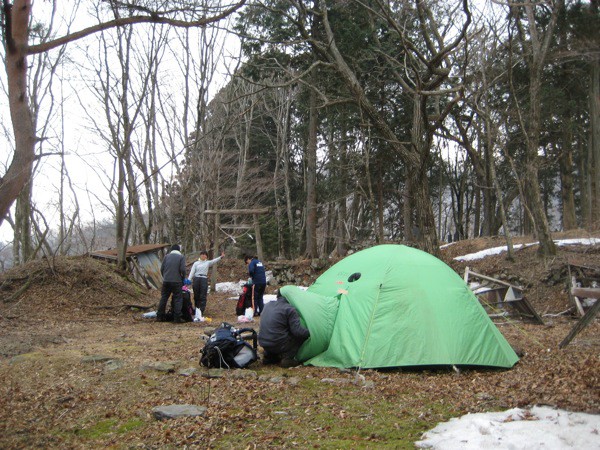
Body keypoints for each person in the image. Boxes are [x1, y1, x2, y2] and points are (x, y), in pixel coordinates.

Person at [258, 291, 310, 368]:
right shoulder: (289, 309)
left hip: (264, 343)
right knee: (299, 337)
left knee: (278, 332)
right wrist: (311, 333)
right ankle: (288, 358)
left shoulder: (267, 305)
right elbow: (298, 332)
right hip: (279, 344)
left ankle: (270, 357)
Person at [188, 250, 225, 315]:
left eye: (205, 255)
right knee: (196, 295)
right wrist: (189, 280)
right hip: (196, 279)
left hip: (204, 279)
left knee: (203, 295)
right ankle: (197, 309)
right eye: (202, 254)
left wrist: (221, 257)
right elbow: (192, 272)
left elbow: (214, 261)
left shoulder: (207, 263)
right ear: (200, 255)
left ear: (206, 257)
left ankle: (201, 310)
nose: (203, 256)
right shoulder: (196, 263)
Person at [157, 244, 187, 323]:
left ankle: (160, 316)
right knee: (178, 299)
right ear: (179, 250)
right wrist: (183, 278)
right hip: (177, 281)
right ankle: (177, 318)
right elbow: (183, 269)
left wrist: (165, 276)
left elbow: (162, 268)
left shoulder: (166, 257)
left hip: (166, 281)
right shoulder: (181, 257)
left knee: (164, 298)